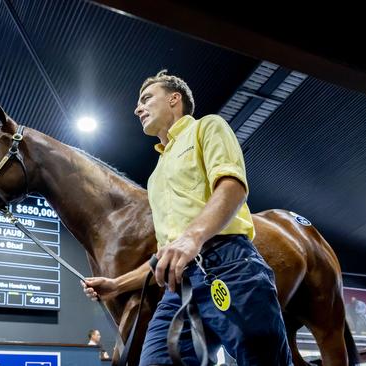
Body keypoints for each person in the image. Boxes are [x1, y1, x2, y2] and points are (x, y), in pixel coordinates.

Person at [82, 70, 292, 365]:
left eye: (146, 99)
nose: (137, 109)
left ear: (174, 99)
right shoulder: (154, 178)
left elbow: (232, 186)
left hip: (229, 264)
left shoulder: (207, 127)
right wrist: (117, 285)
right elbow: (164, 254)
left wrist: (191, 238)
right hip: (178, 288)